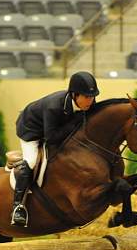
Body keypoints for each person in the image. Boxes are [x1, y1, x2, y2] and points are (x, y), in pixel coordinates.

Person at [11, 71, 100, 227]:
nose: (90, 101)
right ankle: (18, 207)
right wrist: (74, 123)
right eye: (87, 97)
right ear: (75, 95)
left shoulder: (87, 102)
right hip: (31, 131)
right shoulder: (54, 107)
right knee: (31, 162)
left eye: (92, 97)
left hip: (54, 129)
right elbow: (51, 138)